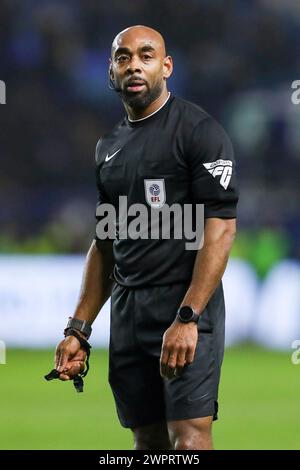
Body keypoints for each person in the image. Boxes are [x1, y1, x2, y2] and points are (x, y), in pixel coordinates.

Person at [54, 25, 239, 450]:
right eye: (123, 57)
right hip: (128, 313)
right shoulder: (107, 148)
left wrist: (189, 318)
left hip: (185, 308)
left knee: (189, 439)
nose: (134, 64)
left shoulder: (199, 133)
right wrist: (78, 330)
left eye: (146, 55)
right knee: (148, 441)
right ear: (111, 72)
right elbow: (104, 244)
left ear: (166, 66)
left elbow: (222, 228)